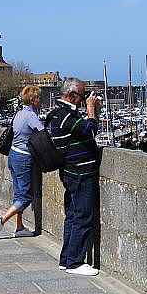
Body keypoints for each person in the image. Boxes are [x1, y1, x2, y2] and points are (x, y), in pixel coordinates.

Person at [47, 78, 102, 276]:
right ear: (71, 95)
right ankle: (75, 262)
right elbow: (90, 130)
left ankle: (66, 259)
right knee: (83, 216)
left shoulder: (61, 114)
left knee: (72, 216)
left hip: (72, 173)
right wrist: (91, 109)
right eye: (82, 95)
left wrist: (94, 111)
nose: (84, 98)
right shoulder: (64, 116)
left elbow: (84, 131)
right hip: (79, 173)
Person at [0, 86, 44, 239]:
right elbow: (43, 134)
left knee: (18, 193)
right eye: (39, 98)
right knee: (26, 197)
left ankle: (19, 227)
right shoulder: (31, 116)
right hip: (24, 158)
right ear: (33, 100)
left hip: (13, 155)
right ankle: (2, 219)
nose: (41, 101)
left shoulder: (19, 113)